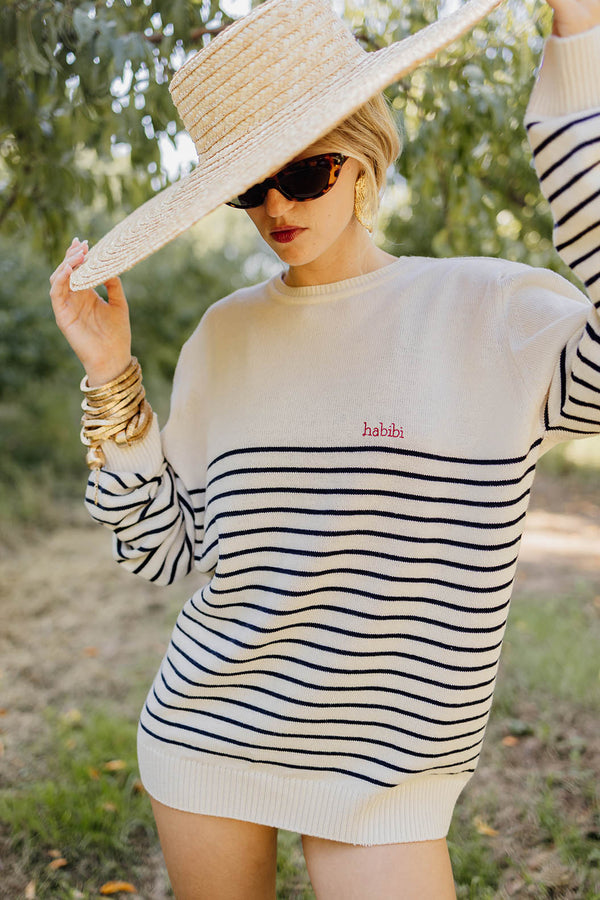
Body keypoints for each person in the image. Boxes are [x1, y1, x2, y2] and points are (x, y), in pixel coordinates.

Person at [49, 0, 600, 897]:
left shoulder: (489, 312)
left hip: (389, 765)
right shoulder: (220, 338)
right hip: (209, 732)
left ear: (363, 160)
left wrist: (578, 53)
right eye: (248, 187)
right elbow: (160, 552)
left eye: (305, 172)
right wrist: (112, 375)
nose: (276, 208)